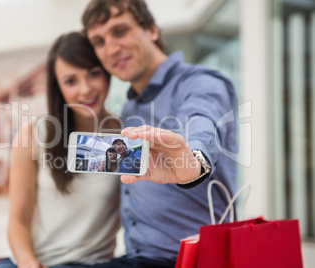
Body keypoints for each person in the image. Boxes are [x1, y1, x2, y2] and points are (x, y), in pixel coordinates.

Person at [81, 0, 239, 267]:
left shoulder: (201, 82)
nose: (110, 48)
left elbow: (202, 120)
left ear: (152, 30)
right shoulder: (130, 108)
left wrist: (192, 161)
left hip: (190, 259)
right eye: (99, 41)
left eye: (120, 31)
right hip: (138, 257)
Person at [0, 32, 122, 268]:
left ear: (106, 72)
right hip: (35, 262)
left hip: (93, 263)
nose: (86, 89)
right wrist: (27, 262)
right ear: (58, 87)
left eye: (93, 74)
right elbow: (17, 221)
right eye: (71, 81)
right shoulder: (34, 135)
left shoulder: (125, 137)